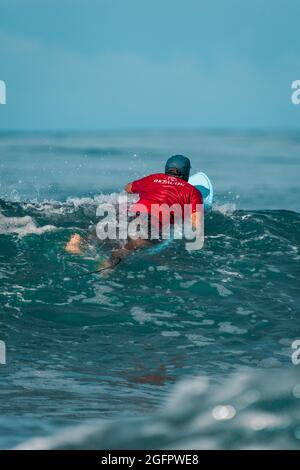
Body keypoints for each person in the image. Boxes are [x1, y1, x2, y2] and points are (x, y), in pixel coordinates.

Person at [65, 155, 203, 273]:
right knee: (139, 244)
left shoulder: (153, 178)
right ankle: (111, 261)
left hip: (130, 214)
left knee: (108, 231)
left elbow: (128, 187)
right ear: (186, 173)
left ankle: (80, 240)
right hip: (151, 222)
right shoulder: (192, 191)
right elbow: (196, 223)